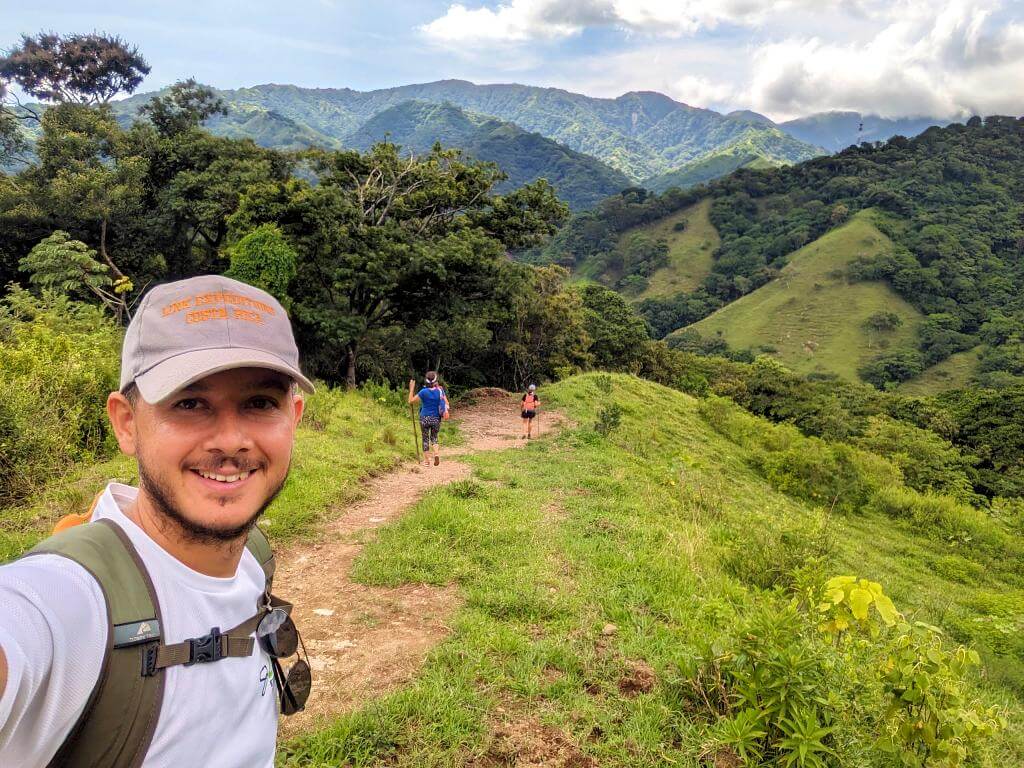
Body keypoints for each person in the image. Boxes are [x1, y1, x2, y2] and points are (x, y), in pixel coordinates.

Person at [0, 275, 316, 767]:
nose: (231, 440)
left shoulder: (252, 555)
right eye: (190, 403)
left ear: (293, 416)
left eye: (260, 403)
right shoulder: (67, 599)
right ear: (126, 423)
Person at [408, 371, 448, 467]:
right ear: (435, 380)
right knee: (434, 438)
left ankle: (426, 461)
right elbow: (445, 402)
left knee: (425, 439)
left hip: (424, 417)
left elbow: (410, 401)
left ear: (426, 380)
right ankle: (436, 454)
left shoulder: (423, 392)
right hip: (436, 418)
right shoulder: (439, 391)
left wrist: (411, 389)